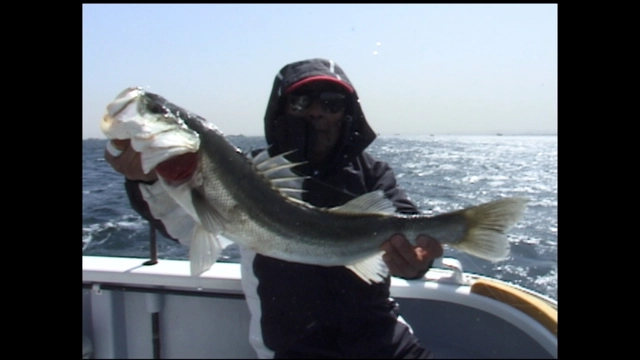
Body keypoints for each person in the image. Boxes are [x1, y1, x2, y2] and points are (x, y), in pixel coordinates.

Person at [105, 58, 443, 359]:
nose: (317, 111)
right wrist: (147, 181)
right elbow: (185, 229)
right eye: (301, 100)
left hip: (384, 343)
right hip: (293, 349)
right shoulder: (245, 174)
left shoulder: (372, 173)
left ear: (348, 113)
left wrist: (416, 262)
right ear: (281, 110)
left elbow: (410, 235)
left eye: (332, 102)